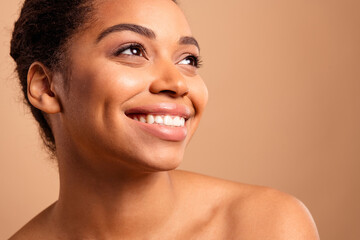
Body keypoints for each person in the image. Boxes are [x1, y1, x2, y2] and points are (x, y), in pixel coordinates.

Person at [9, 0, 320, 239]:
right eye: (132, 50)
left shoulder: (265, 227)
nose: (178, 83)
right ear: (46, 87)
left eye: (188, 59)